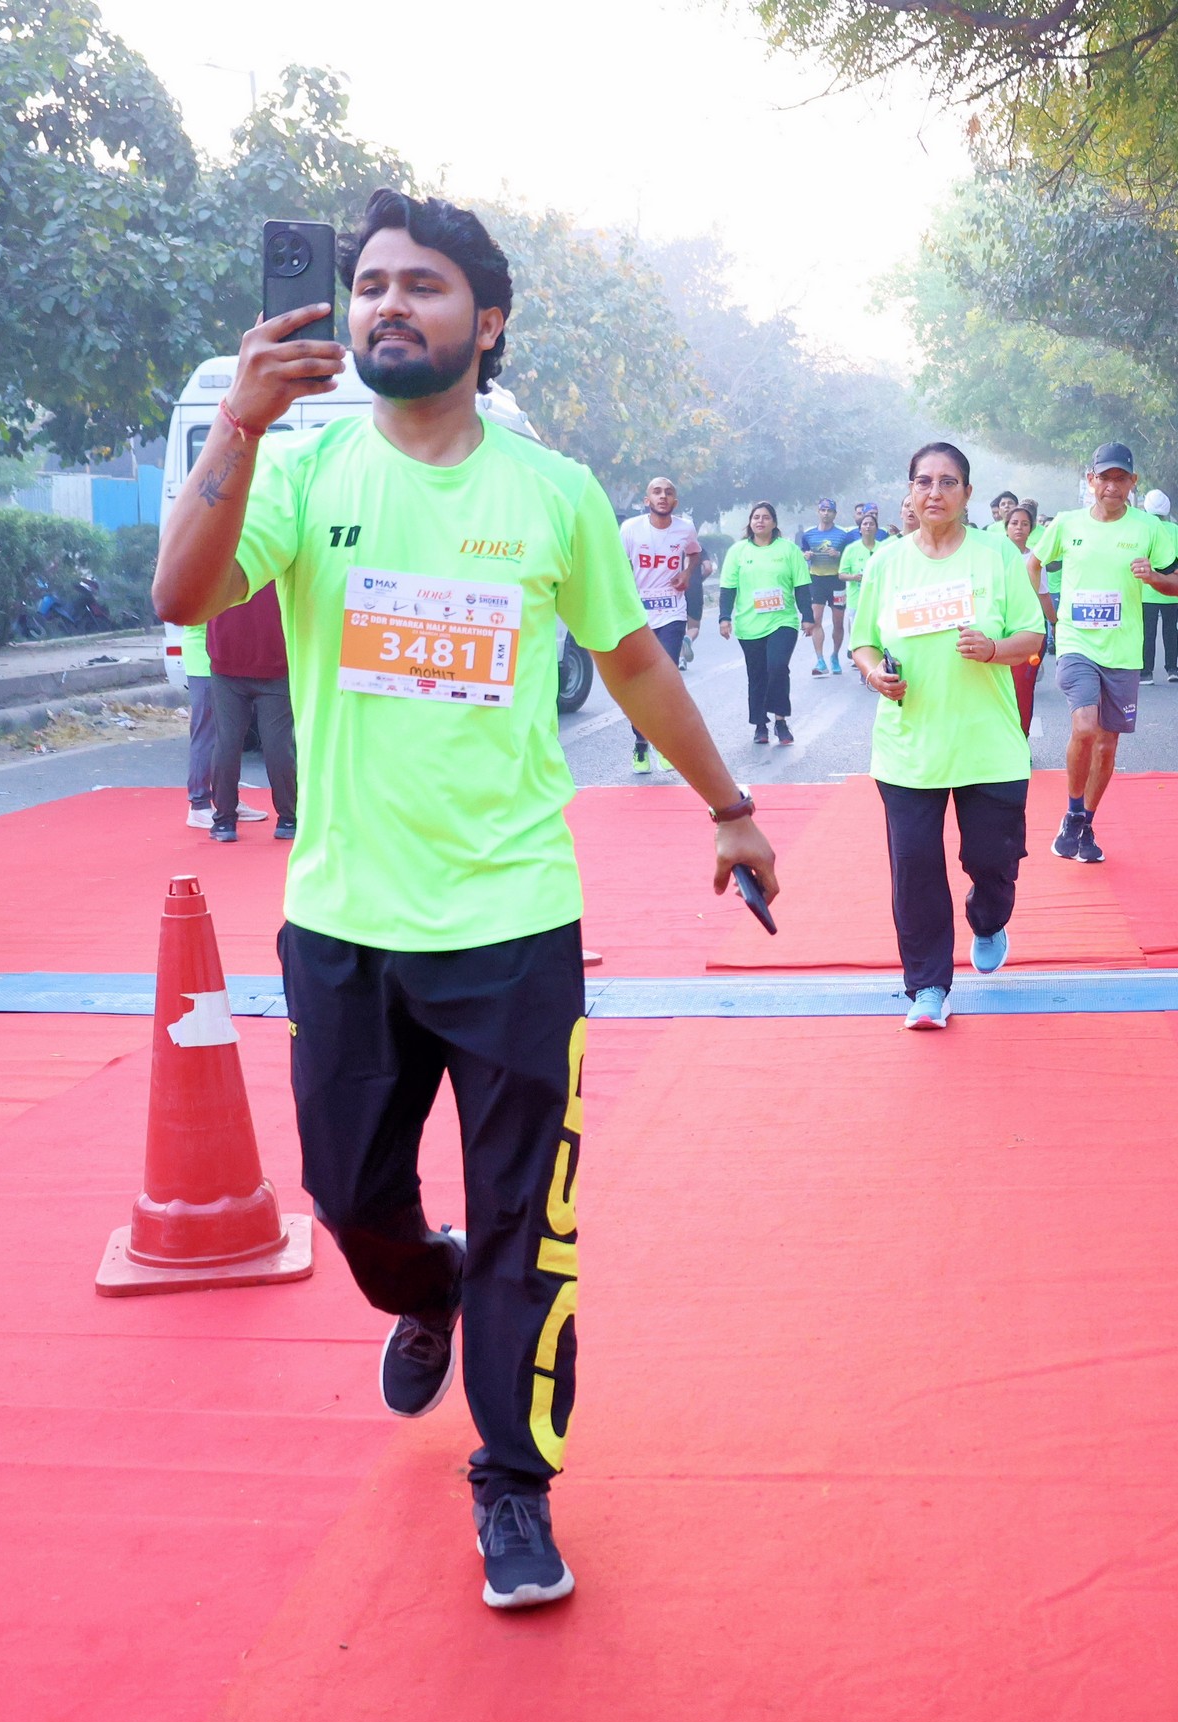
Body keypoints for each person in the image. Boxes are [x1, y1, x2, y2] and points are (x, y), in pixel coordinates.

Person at [152, 187, 778, 1608]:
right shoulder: (302, 471)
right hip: (343, 927)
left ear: (486, 323)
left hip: (511, 929)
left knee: (524, 1226)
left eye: (422, 285)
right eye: (370, 283)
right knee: (348, 1198)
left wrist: (729, 807)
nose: (387, 303)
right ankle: (421, 1288)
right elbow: (183, 597)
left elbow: (631, 661)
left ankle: (514, 1486)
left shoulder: (552, 493)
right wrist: (241, 421)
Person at [849, 442, 1046, 1031]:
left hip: (988, 745)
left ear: (967, 494)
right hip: (908, 746)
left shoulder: (996, 555)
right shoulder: (887, 563)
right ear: (909, 491)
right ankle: (928, 986)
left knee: (992, 859)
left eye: (948, 482)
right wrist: (873, 674)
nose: (934, 492)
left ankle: (988, 919)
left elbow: (1033, 635)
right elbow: (863, 641)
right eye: (924, 481)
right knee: (914, 869)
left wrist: (993, 648)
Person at [1028, 443, 1178, 862]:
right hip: (1077, 643)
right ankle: (1072, 810)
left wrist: (1153, 577)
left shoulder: (1149, 529)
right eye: (1104, 478)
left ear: (1133, 483)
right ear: (1090, 480)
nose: (1111, 487)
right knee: (1084, 726)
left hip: (1124, 651)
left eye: (1120, 479)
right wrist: (1044, 612)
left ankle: (1085, 822)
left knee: (1106, 744)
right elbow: (1034, 563)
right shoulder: (1067, 524)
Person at [618, 475, 703, 772]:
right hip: (638, 615)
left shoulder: (685, 528)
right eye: (656, 491)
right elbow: (618, 565)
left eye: (668, 492)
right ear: (647, 500)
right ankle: (641, 743)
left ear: (675, 502)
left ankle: (665, 744)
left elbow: (694, 552)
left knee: (665, 679)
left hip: (672, 613)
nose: (662, 496)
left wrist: (687, 573)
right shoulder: (630, 529)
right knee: (640, 684)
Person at [198, 580, 296, 839]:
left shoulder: (217, 556)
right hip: (275, 658)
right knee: (278, 744)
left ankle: (224, 822)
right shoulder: (277, 556)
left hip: (225, 657)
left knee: (227, 742)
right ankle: (288, 819)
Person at [718, 500, 809, 745]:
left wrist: (808, 616)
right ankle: (760, 724)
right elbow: (728, 588)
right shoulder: (738, 551)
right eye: (756, 517)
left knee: (777, 667)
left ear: (774, 523)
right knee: (757, 674)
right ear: (750, 522)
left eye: (766, 517)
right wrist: (724, 617)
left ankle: (780, 721)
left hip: (782, 621)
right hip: (749, 625)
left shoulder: (789, 550)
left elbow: (802, 585)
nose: (760, 521)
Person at [179, 617, 265, 829]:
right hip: (204, 660)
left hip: (225, 657)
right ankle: (199, 804)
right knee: (206, 732)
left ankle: (227, 801)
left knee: (228, 735)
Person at [1135, 488, 1178, 685]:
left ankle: (1146, 673)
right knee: (1171, 630)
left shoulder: (1142, 530)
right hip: (1171, 591)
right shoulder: (1177, 531)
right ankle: (1172, 669)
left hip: (1147, 591)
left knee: (1147, 632)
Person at [796, 497, 857, 675]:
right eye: (823, 510)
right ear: (818, 512)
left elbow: (849, 556)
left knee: (838, 622)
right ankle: (820, 660)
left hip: (836, 581)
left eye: (829, 511)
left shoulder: (843, 535)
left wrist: (838, 554)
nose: (826, 513)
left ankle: (835, 656)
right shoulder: (809, 534)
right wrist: (805, 555)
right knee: (816, 620)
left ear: (834, 514)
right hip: (816, 580)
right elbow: (802, 551)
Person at [999, 500, 1045, 734]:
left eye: (1025, 524)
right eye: (1014, 523)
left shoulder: (1035, 560)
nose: (1019, 528)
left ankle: (1021, 738)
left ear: (1031, 528)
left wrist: (1054, 624)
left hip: (1026, 632)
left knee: (1023, 689)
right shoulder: (993, 556)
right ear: (1006, 527)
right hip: (998, 632)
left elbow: (1043, 596)